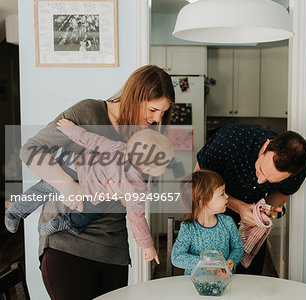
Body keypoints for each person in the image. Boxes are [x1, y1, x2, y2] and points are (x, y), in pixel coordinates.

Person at [10, 65, 175, 300]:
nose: (157, 119)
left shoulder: (145, 137)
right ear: (135, 96)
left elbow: (134, 195)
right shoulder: (89, 113)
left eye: (163, 113)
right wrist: (70, 187)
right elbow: (31, 150)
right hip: (67, 244)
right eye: (153, 109)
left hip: (112, 250)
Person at [6, 119, 175, 264]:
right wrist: (148, 246)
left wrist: (71, 130)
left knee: (43, 187)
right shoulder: (137, 186)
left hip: (73, 170)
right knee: (94, 210)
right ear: (148, 168)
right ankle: (65, 222)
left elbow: (94, 141)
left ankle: (14, 212)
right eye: (164, 165)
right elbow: (136, 216)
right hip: (89, 193)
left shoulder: (120, 148)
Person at [194, 123, 306, 275]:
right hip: (212, 216)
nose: (260, 180)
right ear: (267, 145)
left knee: (250, 277)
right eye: (261, 169)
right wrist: (239, 207)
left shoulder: (298, 171)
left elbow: (282, 193)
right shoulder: (229, 140)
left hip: (251, 226)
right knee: (210, 274)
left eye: (270, 180)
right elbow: (196, 182)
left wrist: (262, 210)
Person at [171, 170, 244, 275]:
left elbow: (238, 248)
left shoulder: (228, 222)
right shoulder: (188, 228)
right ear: (203, 201)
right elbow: (176, 257)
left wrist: (232, 260)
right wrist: (205, 263)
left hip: (223, 281)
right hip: (194, 284)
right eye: (222, 194)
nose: (227, 196)